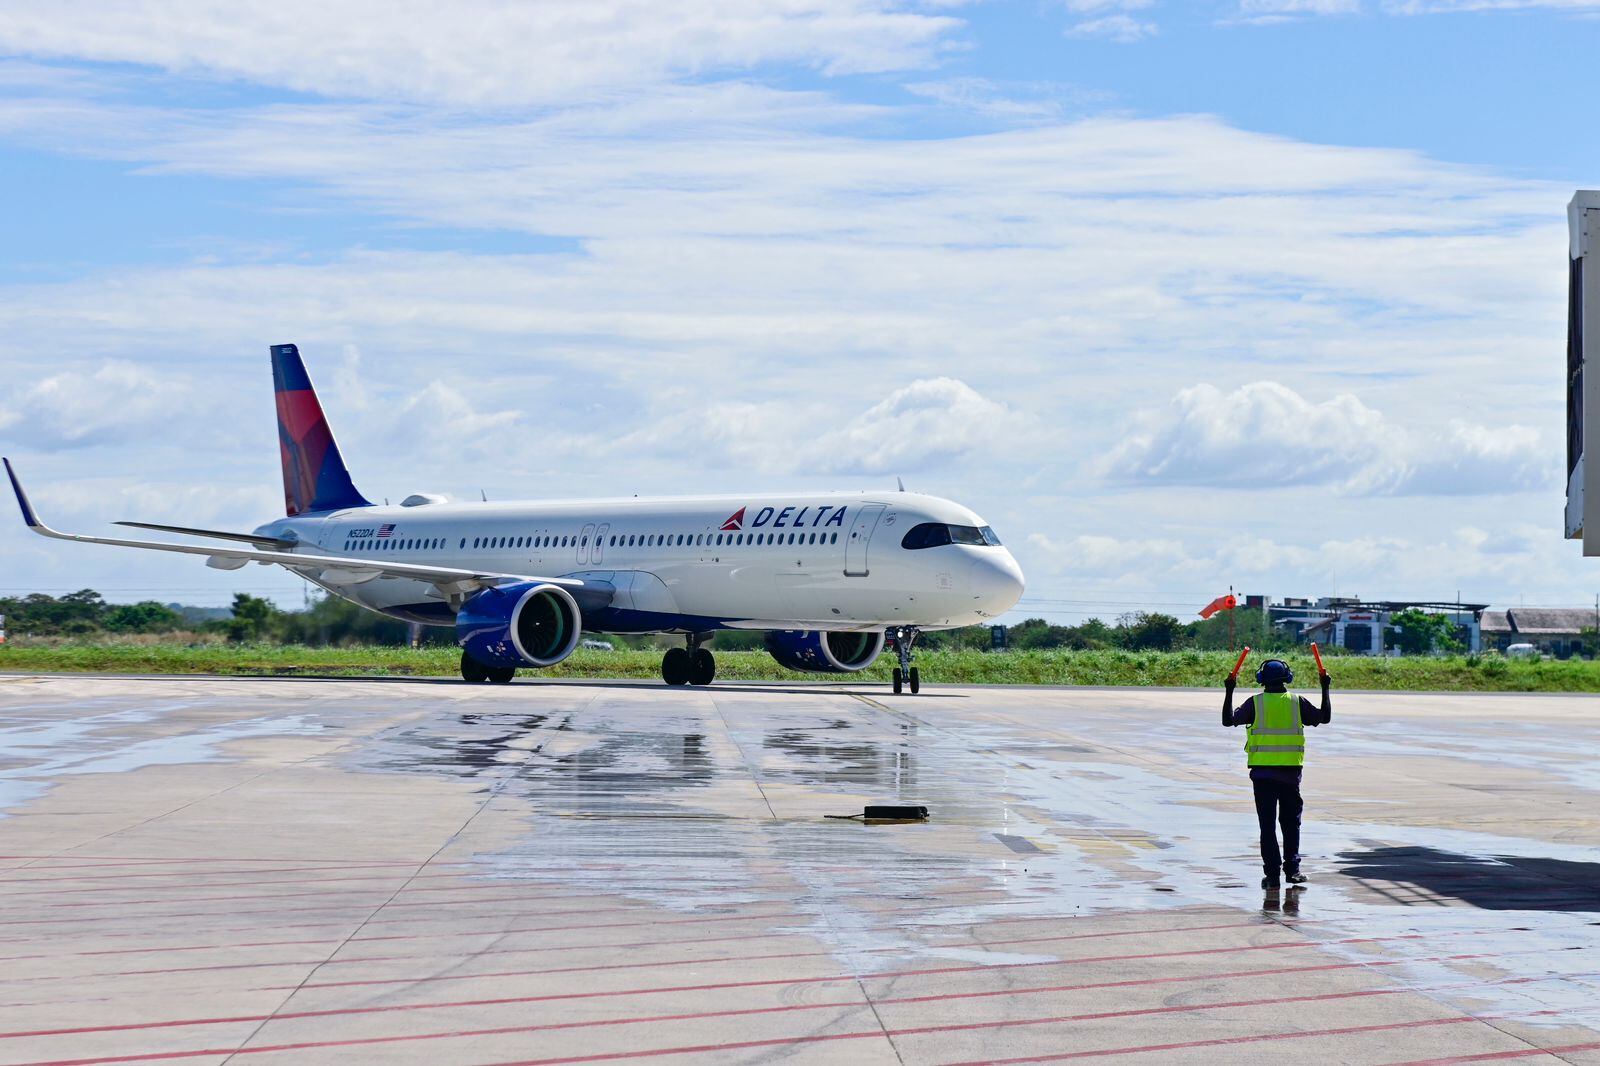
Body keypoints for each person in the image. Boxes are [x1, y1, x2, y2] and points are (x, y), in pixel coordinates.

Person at [1223, 658, 1331, 890]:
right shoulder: (1296, 702)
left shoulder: (1255, 703)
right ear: (1286, 678)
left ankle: (1272, 875)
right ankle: (1292, 871)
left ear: (1262, 680)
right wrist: (1325, 687)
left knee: (1267, 826)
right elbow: (1324, 717)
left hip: (1262, 775)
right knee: (1291, 823)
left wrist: (1229, 689)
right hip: (1290, 774)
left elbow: (1228, 720)